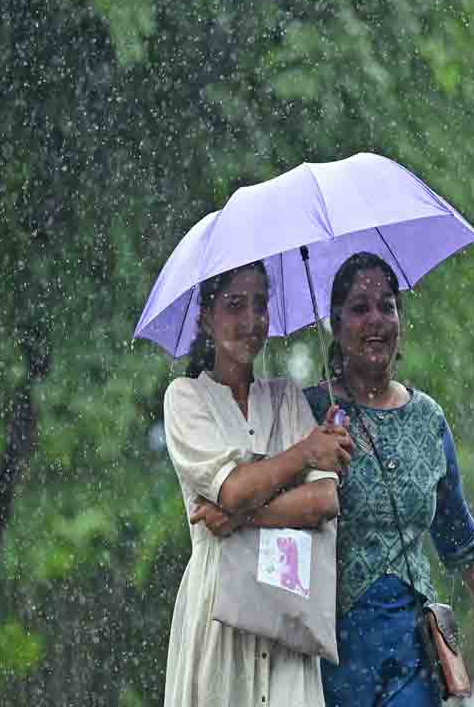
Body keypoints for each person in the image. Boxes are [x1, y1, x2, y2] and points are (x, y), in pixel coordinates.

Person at [305, 251, 474, 706]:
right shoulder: (308, 411)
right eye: (359, 307)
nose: (375, 319)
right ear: (336, 325)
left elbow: (462, 540)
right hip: (329, 650)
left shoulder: (428, 419)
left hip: (412, 649)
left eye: (387, 306)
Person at [162, 260, 354, 706]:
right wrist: (304, 453)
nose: (251, 320)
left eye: (260, 304)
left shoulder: (286, 397)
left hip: (289, 609)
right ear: (206, 318)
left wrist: (238, 517)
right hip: (218, 616)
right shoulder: (186, 398)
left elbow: (323, 500)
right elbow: (232, 488)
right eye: (234, 305)